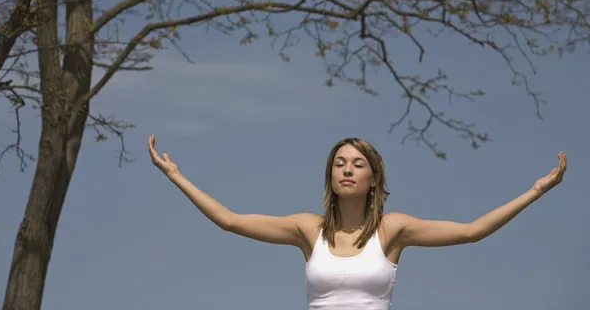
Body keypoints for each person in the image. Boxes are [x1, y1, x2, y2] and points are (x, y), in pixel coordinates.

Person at [148, 135, 567, 310]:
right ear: (330, 175)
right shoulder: (306, 229)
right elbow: (230, 221)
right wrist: (175, 176)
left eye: (358, 163)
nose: (347, 170)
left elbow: (472, 231)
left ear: (373, 179)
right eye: (339, 163)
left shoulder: (392, 230)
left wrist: (535, 192)